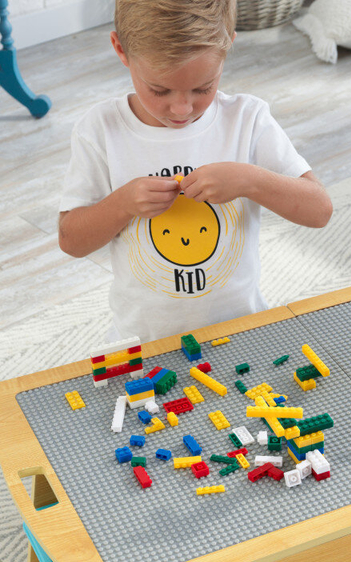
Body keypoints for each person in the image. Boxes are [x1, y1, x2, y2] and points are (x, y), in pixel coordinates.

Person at [58, 0, 332, 343]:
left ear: (228, 45)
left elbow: (319, 210)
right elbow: (71, 240)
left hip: (243, 330)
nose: (182, 108)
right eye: (159, 90)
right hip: (145, 342)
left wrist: (249, 179)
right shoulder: (101, 130)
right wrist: (122, 204)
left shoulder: (247, 119)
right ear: (120, 49)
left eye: (203, 88)